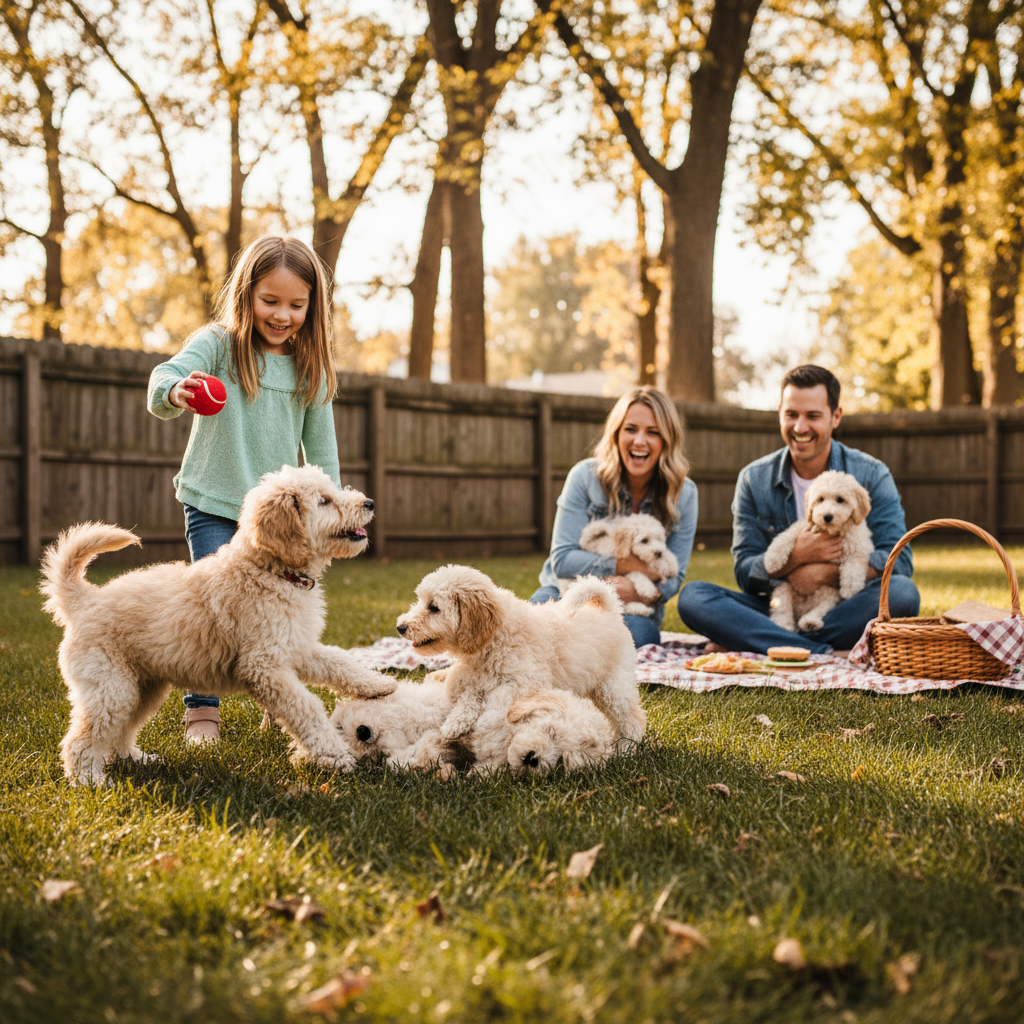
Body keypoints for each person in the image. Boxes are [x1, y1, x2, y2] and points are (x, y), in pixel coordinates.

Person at [147, 235, 342, 743]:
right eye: (270, 301)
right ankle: (201, 714)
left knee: (283, 610)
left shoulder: (310, 367)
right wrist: (175, 390)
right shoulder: (217, 345)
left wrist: (337, 512)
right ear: (246, 295)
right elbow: (162, 378)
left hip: (281, 518)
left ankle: (277, 701)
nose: (282, 315)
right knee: (212, 613)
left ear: (312, 306)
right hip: (214, 503)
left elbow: (321, 456)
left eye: (296, 305)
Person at [677, 364, 919, 655]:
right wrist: (794, 560)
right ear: (780, 412)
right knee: (694, 597)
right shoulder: (754, 479)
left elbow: (899, 559)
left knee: (902, 593)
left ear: (835, 417)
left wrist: (824, 572)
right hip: (778, 604)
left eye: (813, 416)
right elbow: (744, 571)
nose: (800, 427)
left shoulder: (871, 475)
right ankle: (819, 650)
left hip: (842, 605)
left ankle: (759, 640)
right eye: (791, 415)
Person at [530, 385, 698, 648]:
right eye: (631, 429)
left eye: (652, 432)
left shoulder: (684, 493)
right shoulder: (584, 477)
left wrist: (637, 590)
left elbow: (674, 575)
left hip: (634, 604)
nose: (640, 441)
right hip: (565, 589)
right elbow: (562, 560)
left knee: (630, 640)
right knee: (523, 633)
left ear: (667, 440)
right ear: (617, 433)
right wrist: (628, 566)